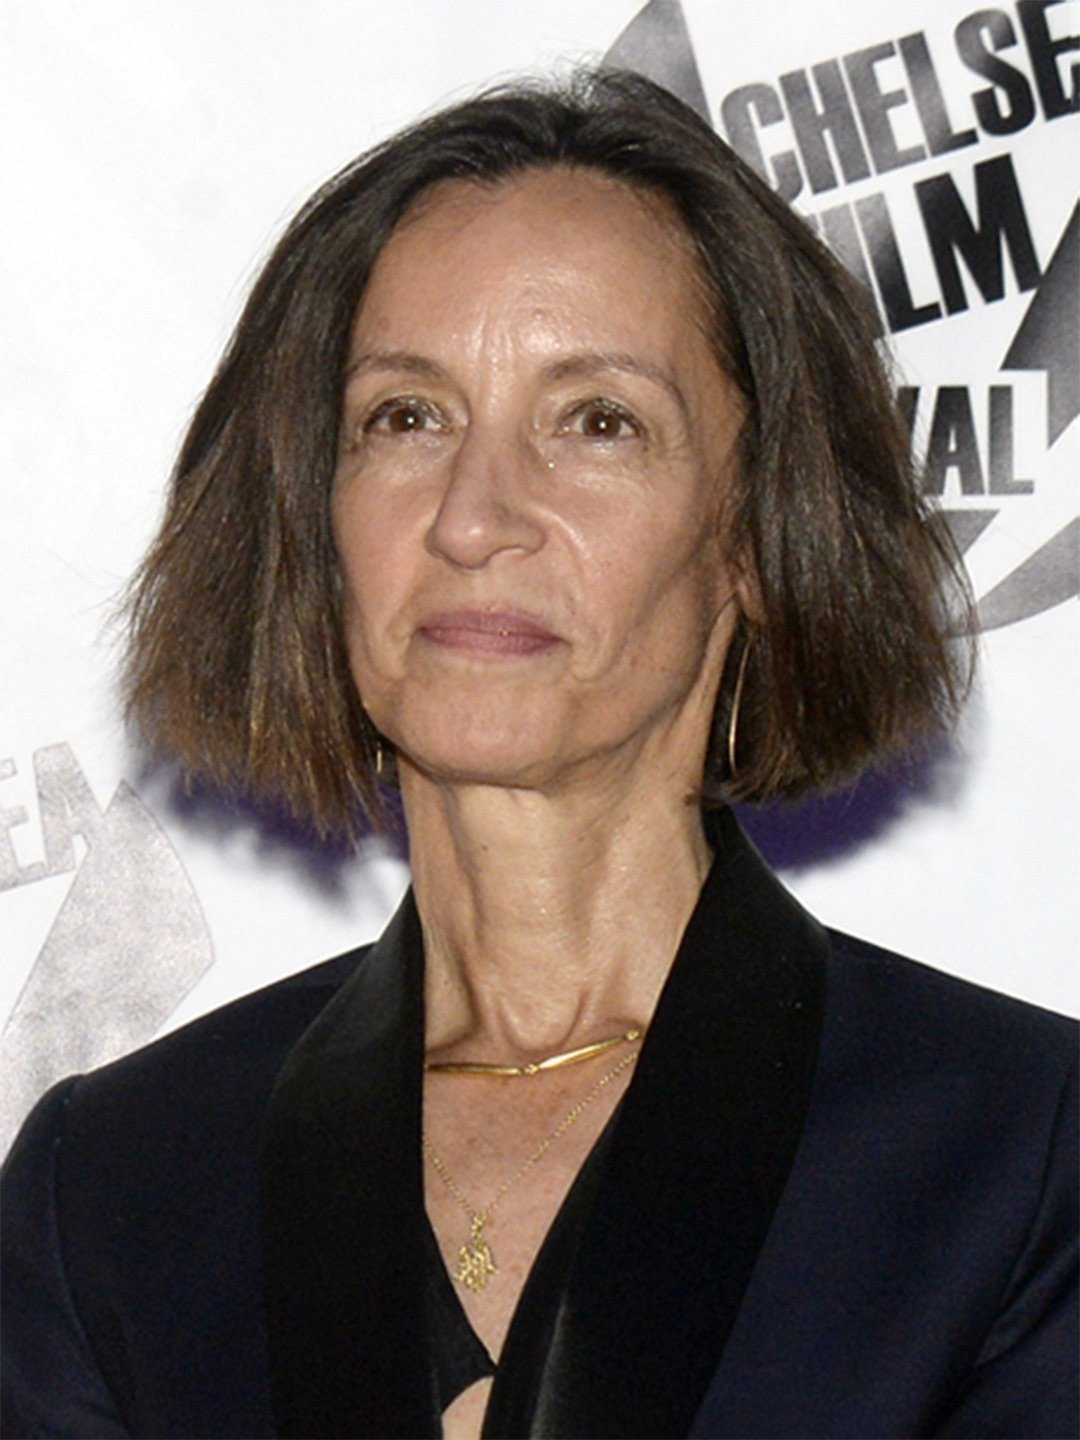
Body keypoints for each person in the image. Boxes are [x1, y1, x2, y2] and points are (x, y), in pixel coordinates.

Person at [1, 68, 1075, 1440]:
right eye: (405, 417)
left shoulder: (1019, 1157)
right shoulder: (113, 1192)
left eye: (597, 421)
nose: (472, 518)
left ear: (756, 535)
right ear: (315, 518)